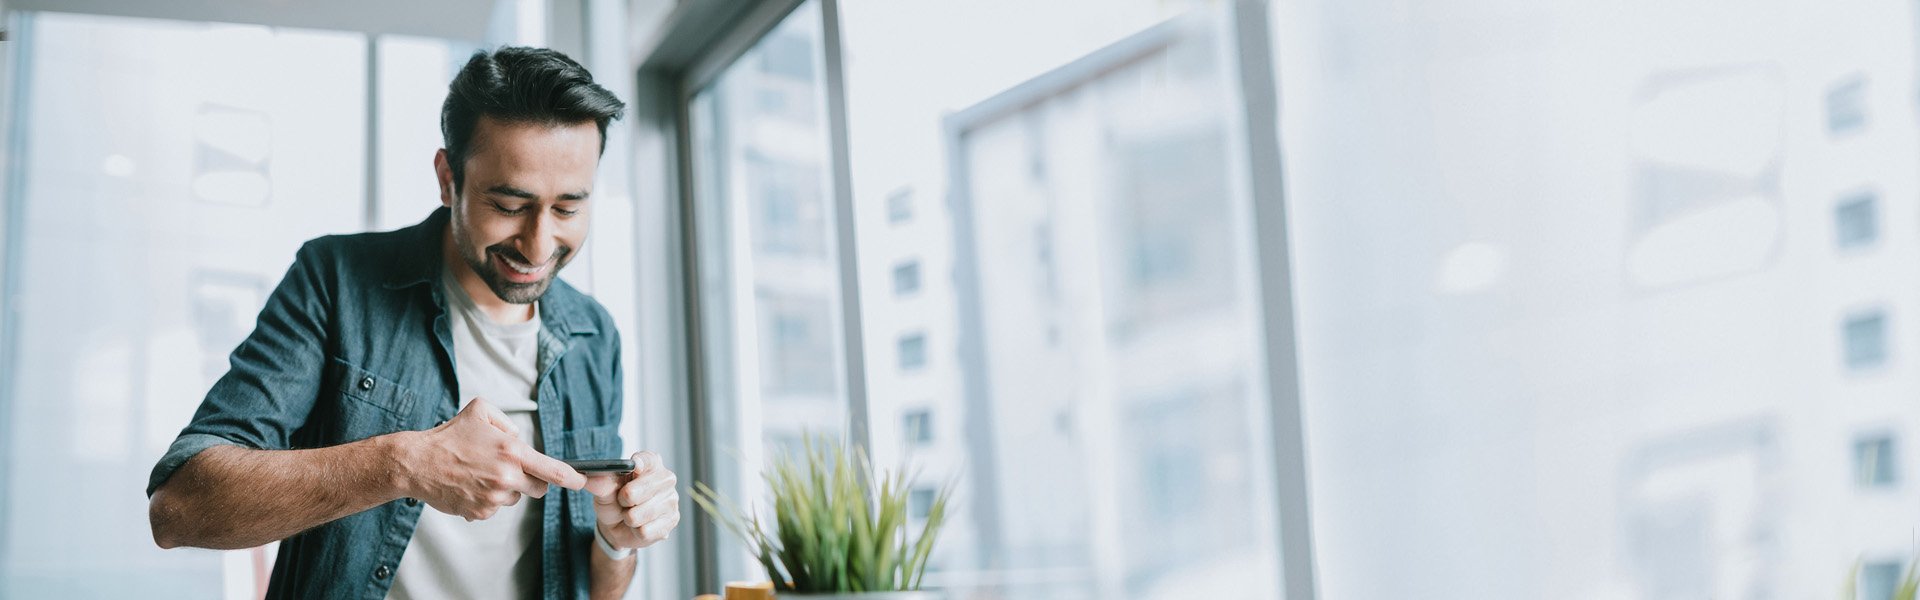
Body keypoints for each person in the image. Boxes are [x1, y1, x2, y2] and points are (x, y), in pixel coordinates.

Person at [144, 46, 678, 600]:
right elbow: (180, 507)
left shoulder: (595, 334)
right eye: (509, 205)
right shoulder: (335, 280)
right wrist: (405, 463)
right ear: (448, 179)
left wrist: (619, 541)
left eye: (567, 209)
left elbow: (597, 588)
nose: (539, 244)